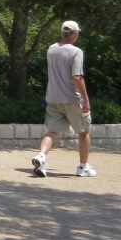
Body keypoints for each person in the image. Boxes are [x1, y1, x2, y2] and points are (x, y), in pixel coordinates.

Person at [32, 21, 95, 178]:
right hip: (72, 99)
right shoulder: (76, 52)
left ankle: (41, 156)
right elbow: (77, 77)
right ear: (75, 34)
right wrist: (86, 100)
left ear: (63, 33)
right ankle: (83, 167)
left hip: (53, 98)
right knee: (83, 131)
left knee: (53, 131)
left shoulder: (51, 49)